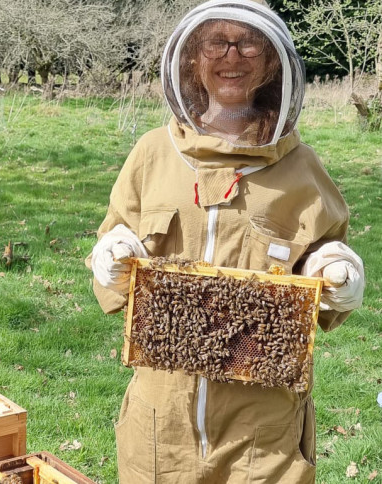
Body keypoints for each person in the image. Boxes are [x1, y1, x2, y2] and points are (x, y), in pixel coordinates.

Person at [87, 1, 365, 483]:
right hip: (161, 422)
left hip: (263, 431)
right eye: (216, 42)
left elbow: (321, 254)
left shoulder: (301, 167)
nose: (231, 56)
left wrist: (334, 270)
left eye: (248, 44)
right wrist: (112, 257)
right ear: (193, 58)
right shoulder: (153, 153)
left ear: (272, 62)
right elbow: (117, 236)